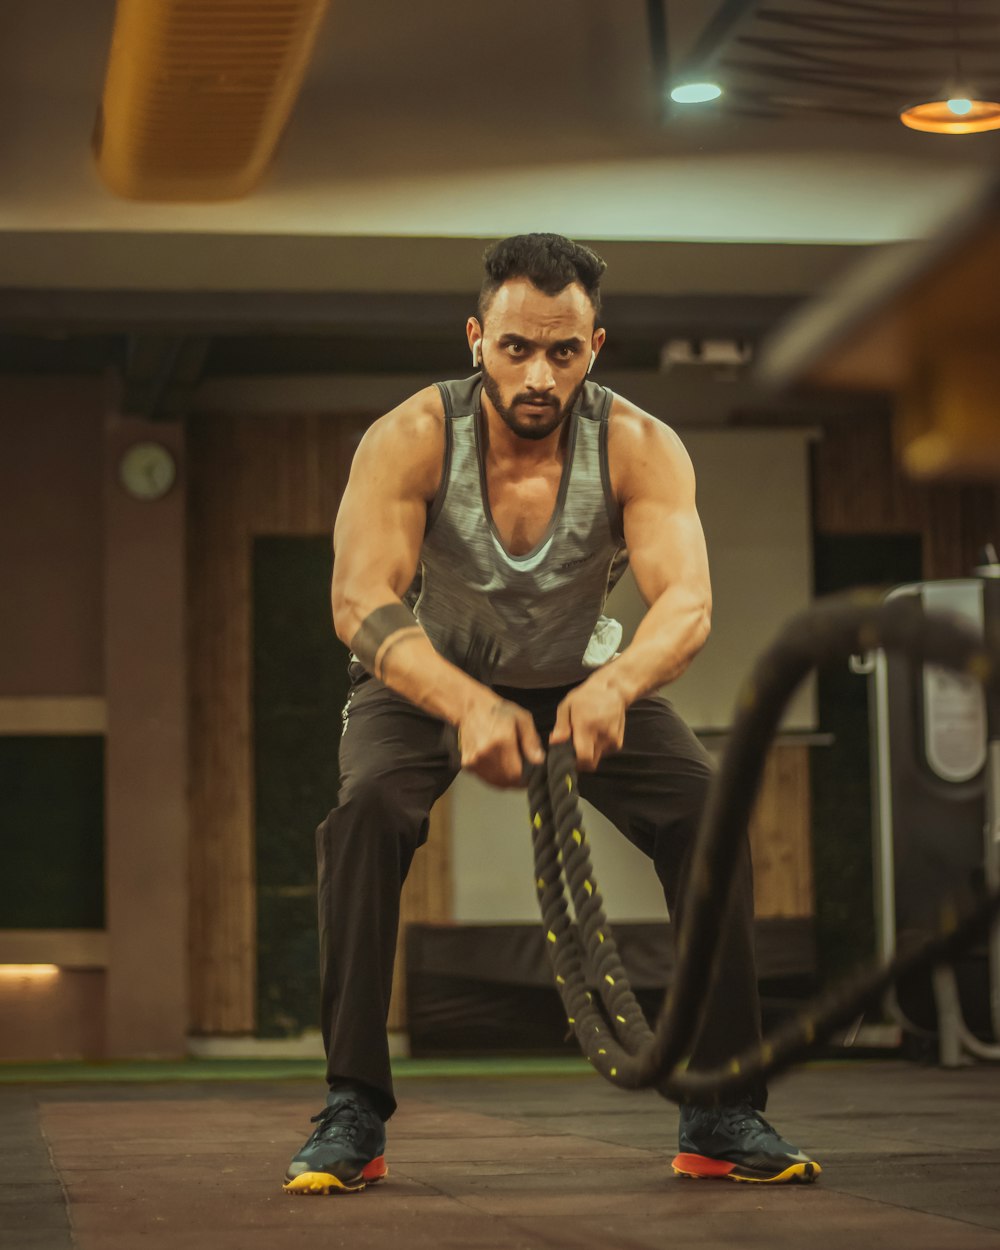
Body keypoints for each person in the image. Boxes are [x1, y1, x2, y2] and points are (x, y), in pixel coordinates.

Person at [283, 233, 820, 1194]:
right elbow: (360, 599)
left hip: (580, 673)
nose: (539, 373)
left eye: (562, 352)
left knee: (710, 812)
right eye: (517, 348)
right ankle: (353, 1108)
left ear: (594, 348)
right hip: (425, 678)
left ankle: (722, 1107)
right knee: (366, 817)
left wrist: (613, 686)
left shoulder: (638, 445)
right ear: (476, 338)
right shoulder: (411, 436)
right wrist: (465, 703)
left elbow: (687, 603)